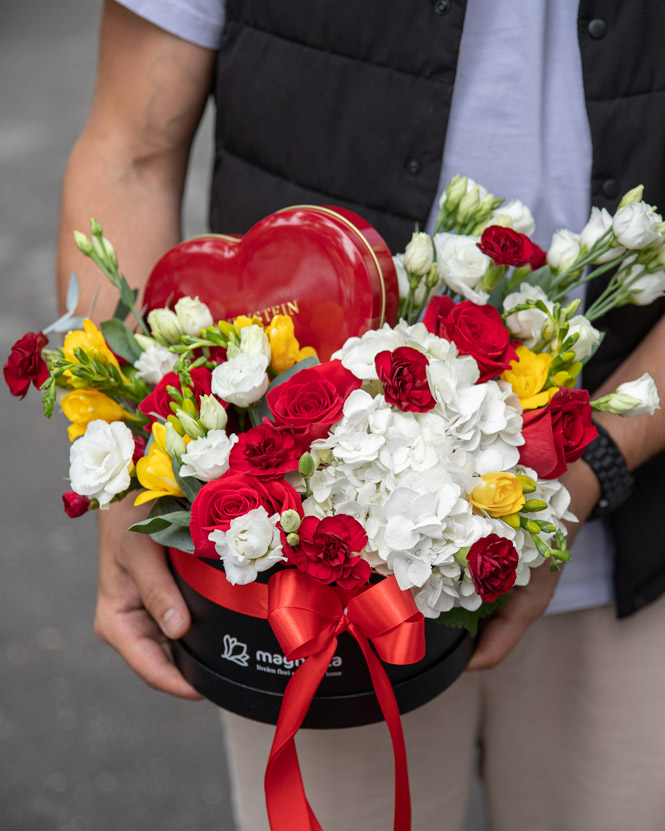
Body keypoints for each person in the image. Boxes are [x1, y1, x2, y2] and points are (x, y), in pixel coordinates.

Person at [57, 2, 665, 829]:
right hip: (311, 590)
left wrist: (593, 462)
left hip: (635, 548)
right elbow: (127, 153)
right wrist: (127, 459)